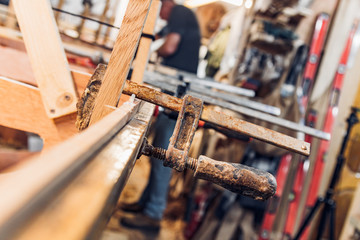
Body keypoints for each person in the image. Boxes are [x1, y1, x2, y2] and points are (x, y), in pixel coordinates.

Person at [120, 0, 201, 232]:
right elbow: (157, 36)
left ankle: (153, 214)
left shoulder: (179, 12)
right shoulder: (179, 17)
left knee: (164, 157)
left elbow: (169, 48)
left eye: (160, 10)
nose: (162, 16)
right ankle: (146, 203)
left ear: (166, 4)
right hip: (175, 92)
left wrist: (149, 55)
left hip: (179, 95)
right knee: (158, 155)